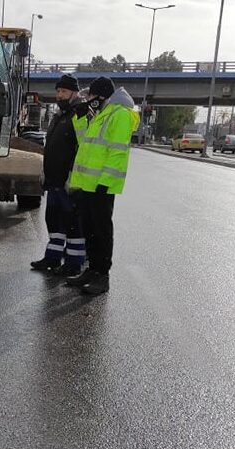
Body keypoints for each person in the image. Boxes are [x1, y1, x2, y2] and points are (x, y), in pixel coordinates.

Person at [65, 76, 139, 295]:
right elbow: (85, 145)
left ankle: (102, 276)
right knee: (89, 230)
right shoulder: (101, 114)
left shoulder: (120, 115)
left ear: (102, 96)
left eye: (92, 96)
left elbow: (117, 152)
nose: (89, 100)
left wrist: (105, 183)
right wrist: (79, 119)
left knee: (101, 231)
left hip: (101, 186)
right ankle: (92, 270)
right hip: (88, 185)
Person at [30, 74, 87, 277]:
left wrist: (73, 176)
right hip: (54, 180)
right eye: (58, 91)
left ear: (74, 93)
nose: (59, 95)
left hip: (68, 181)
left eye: (63, 91)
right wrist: (45, 172)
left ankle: (74, 262)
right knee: (54, 221)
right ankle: (53, 258)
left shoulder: (79, 115)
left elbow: (84, 149)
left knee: (72, 223)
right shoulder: (59, 115)